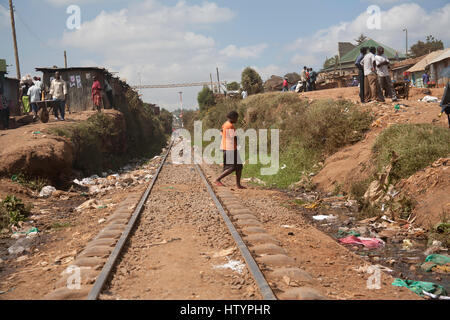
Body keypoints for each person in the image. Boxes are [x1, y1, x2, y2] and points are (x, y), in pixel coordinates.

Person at [215, 111, 245, 189]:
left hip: (229, 147)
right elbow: (233, 137)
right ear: (232, 117)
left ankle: (238, 184)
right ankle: (217, 179)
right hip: (229, 148)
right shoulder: (229, 126)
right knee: (232, 167)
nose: (237, 120)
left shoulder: (225, 124)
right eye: (236, 118)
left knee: (239, 166)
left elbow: (222, 133)